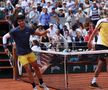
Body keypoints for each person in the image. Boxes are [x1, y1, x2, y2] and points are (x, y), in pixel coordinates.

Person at [2, 12, 49, 90]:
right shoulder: (14, 31)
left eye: (22, 21)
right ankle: (34, 86)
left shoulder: (28, 29)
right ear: (18, 22)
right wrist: (5, 47)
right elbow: (4, 37)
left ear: (24, 21)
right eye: (19, 21)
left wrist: (45, 32)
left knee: (36, 68)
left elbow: (39, 34)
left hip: (29, 52)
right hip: (21, 54)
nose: (21, 22)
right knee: (28, 70)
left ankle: (41, 83)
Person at [88, 2, 108, 88]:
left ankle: (93, 82)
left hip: (107, 46)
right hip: (101, 45)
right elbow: (95, 31)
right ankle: (93, 82)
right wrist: (89, 41)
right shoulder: (101, 21)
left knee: (100, 64)